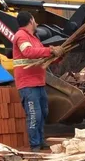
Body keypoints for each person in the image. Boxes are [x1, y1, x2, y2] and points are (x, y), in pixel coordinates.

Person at [12, 11, 64, 151]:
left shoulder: (34, 38)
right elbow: (28, 53)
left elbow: (43, 56)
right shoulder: (21, 36)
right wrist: (50, 50)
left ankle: (40, 141)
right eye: (35, 21)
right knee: (35, 115)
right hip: (28, 84)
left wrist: (58, 56)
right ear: (30, 21)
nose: (36, 23)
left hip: (38, 82)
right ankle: (34, 145)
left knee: (43, 113)